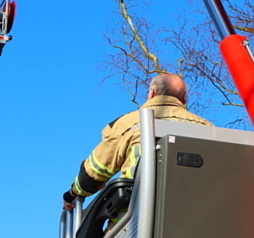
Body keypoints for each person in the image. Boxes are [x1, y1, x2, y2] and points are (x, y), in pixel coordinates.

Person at [62, 73, 211, 211]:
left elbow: (94, 174)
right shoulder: (208, 129)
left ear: (151, 93)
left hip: (134, 224)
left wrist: (72, 194)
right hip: (195, 219)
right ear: (184, 100)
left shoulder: (128, 123)